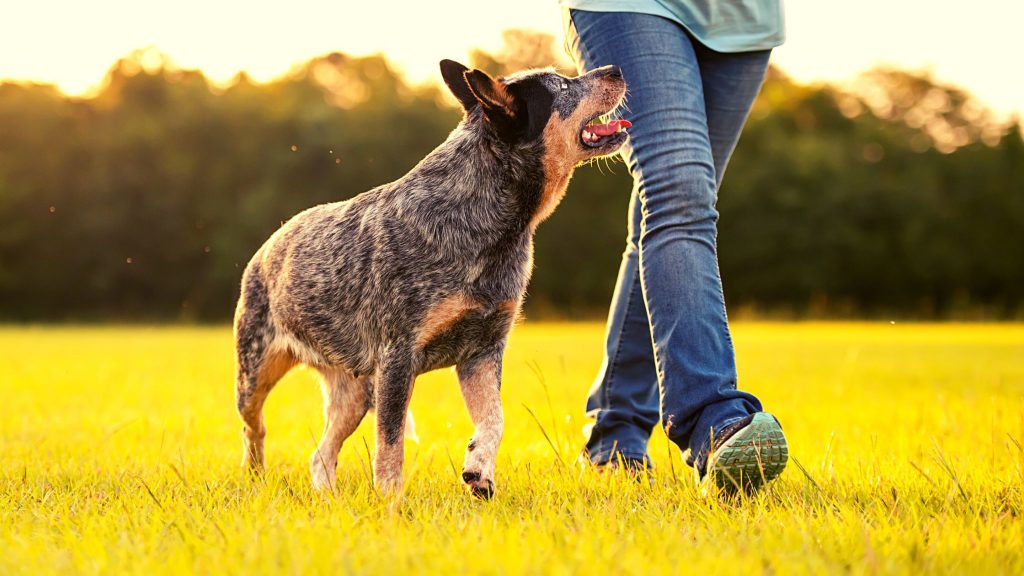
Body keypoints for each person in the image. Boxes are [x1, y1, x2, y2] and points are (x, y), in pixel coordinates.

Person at [562, 0, 789, 490]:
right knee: (678, 195)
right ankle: (713, 419)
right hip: (629, 8)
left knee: (673, 208)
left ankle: (615, 433)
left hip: (740, 19)